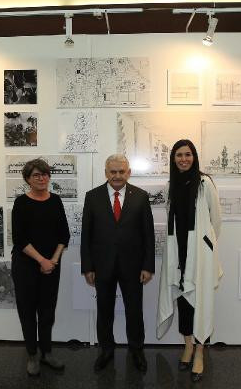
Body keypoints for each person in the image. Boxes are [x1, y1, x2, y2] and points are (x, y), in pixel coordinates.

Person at [80, 154, 155, 373]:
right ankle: (106, 350)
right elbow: (86, 234)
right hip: (102, 265)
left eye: (121, 171)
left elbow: (148, 234)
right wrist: (88, 267)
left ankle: (137, 350)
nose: (117, 176)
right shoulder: (92, 197)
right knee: (104, 311)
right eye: (113, 172)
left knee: (134, 311)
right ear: (106, 173)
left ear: (128, 172)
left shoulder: (140, 196)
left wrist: (148, 266)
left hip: (133, 266)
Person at [156, 139, 222, 383]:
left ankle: (200, 352)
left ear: (194, 157)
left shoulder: (205, 183)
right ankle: (187, 346)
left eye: (188, 154)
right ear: (173, 159)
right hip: (178, 252)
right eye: (179, 155)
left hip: (199, 254)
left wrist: (206, 246)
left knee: (201, 302)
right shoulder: (169, 186)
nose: (183, 159)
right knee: (184, 302)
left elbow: (216, 221)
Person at [11, 158, 70, 377]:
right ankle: (32, 355)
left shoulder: (56, 201)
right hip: (26, 265)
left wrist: (52, 260)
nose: (41, 178)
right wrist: (42, 260)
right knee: (27, 312)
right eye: (36, 175)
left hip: (51, 266)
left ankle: (47, 353)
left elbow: (64, 235)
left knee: (47, 312)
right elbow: (19, 239)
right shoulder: (21, 203)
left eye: (44, 174)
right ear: (28, 179)